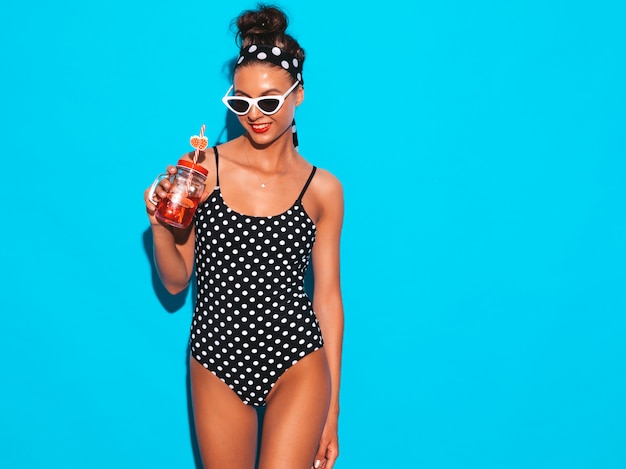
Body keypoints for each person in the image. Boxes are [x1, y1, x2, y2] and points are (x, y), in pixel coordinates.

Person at [144, 5, 344, 469]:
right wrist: (159, 226)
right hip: (216, 355)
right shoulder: (203, 170)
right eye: (241, 102)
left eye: (270, 101)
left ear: (299, 96)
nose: (255, 115)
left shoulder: (324, 190)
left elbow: (328, 300)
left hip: (297, 357)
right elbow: (176, 283)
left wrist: (331, 409)